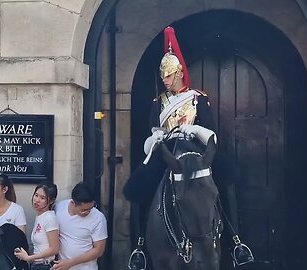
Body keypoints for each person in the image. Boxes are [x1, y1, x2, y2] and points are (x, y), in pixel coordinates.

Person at [124, 26, 254, 269]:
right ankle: (140, 245)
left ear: (180, 72)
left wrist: (193, 130)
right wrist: (156, 137)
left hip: (196, 148)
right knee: (139, 185)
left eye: (169, 75)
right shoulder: (157, 102)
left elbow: (212, 131)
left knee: (226, 178)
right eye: (163, 76)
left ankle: (237, 241)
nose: (165, 80)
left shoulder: (197, 97)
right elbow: (152, 129)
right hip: (167, 151)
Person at [52, 182, 108, 270]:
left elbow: (99, 250)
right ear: (73, 203)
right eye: (84, 209)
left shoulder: (98, 218)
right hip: (62, 266)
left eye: (91, 207)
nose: (88, 212)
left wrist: (71, 262)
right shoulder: (59, 208)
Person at [14, 182, 59, 270]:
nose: (37, 200)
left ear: (51, 201)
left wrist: (29, 258)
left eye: (42, 198)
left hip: (45, 265)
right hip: (37, 265)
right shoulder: (40, 217)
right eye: (36, 195)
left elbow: (54, 248)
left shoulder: (50, 218)